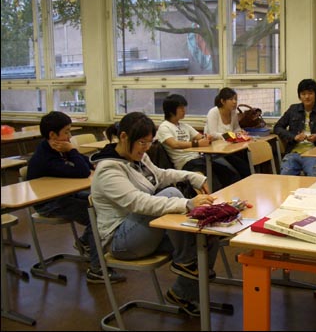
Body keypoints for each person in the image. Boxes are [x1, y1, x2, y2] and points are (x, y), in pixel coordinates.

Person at [90, 112, 220, 317]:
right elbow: (139, 202)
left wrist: (192, 177)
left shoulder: (139, 157)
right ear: (123, 137)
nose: (146, 148)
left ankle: (182, 293)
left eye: (150, 142)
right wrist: (187, 203)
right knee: (171, 194)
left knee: (207, 235)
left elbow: (162, 175)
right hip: (122, 241)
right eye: (142, 142)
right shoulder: (108, 169)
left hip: (146, 232)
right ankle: (185, 260)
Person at [26, 111, 125, 284]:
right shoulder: (45, 157)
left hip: (65, 194)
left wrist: (72, 151)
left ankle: (86, 242)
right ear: (52, 135)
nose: (70, 136)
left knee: (103, 201)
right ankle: (97, 269)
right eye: (66, 132)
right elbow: (82, 172)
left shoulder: (59, 149)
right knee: (94, 214)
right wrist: (72, 150)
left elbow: (87, 164)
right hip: (48, 203)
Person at [156, 93, 240, 191]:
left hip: (198, 158)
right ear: (171, 110)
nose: (184, 110)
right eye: (181, 108)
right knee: (213, 181)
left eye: (184, 107)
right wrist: (197, 143)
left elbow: (200, 137)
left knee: (229, 173)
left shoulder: (185, 126)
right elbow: (174, 144)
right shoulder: (164, 127)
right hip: (185, 163)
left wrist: (207, 137)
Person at [204, 87, 251, 178]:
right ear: (222, 101)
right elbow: (212, 134)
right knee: (239, 169)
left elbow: (236, 128)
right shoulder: (213, 112)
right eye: (231, 99)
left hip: (230, 147)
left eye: (235, 99)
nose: (234, 102)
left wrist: (241, 132)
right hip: (215, 150)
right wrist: (230, 135)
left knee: (247, 158)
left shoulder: (233, 113)